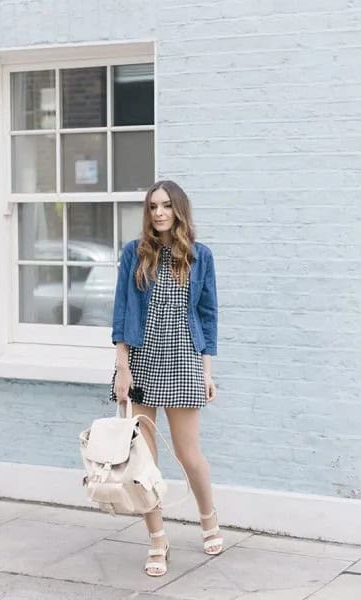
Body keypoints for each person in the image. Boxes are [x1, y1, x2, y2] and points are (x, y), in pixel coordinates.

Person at [109, 180, 222, 577]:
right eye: (153, 206)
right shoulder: (134, 253)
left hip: (185, 358)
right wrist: (122, 367)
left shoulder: (200, 256)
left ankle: (208, 519)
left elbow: (208, 315)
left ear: (178, 210)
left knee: (189, 454)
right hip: (142, 361)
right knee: (145, 462)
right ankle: (158, 540)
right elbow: (122, 312)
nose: (158, 212)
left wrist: (207, 373)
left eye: (166, 206)